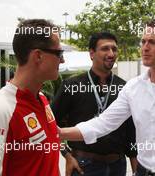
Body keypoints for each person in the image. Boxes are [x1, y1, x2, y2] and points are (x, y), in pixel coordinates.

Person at [60, 18, 155, 176]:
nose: (145, 48)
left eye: (153, 42)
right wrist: (59, 132)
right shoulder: (133, 87)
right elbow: (104, 123)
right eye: (143, 41)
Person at [0, 19, 64, 176]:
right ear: (38, 56)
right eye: (59, 53)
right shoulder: (0, 110)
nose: (62, 60)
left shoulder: (41, 98)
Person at [51, 32, 137, 176]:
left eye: (114, 49)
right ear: (92, 54)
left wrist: (136, 169)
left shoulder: (125, 87)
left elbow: (131, 133)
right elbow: (51, 125)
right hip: (83, 166)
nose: (111, 53)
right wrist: (67, 155)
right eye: (105, 49)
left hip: (117, 166)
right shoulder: (71, 85)